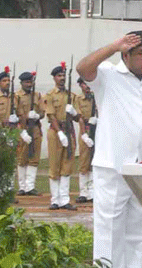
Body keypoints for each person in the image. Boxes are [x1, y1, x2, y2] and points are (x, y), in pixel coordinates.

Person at [77, 31, 142, 268]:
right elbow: (83, 67)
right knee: (109, 229)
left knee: (136, 230)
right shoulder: (108, 75)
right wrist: (114, 45)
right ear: (126, 55)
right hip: (113, 165)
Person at [43, 65, 78, 210]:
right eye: (59, 76)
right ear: (54, 78)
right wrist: (59, 133)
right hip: (56, 132)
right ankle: (54, 200)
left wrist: (74, 112)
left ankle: (64, 199)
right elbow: (51, 116)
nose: (62, 78)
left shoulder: (72, 96)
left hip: (68, 131)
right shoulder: (50, 95)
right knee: (54, 164)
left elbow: (78, 117)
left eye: (63, 76)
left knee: (67, 165)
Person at [15, 71, 44, 195]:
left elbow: (43, 112)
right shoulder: (17, 96)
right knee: (22, 158)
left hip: (35, 128)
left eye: (30, 81)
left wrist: (37, 115)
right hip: (23, 128)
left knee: (34, 158)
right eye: (26, 82)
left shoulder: (37, 95)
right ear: (21, 83)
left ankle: (30, 186)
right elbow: (16, 113)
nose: (29, 84)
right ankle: (22, 187)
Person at [74, 77, 95, 203]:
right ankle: (83, 192)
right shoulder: (78, 99)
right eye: (84, 84)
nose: (87, 87)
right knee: (84, 161)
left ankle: (92, 191)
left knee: (93, 161)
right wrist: (83, 134)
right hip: (85, 130)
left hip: (96, 130)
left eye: (89, 84)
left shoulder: (96, 97)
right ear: (81, 85)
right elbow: (80, 118)